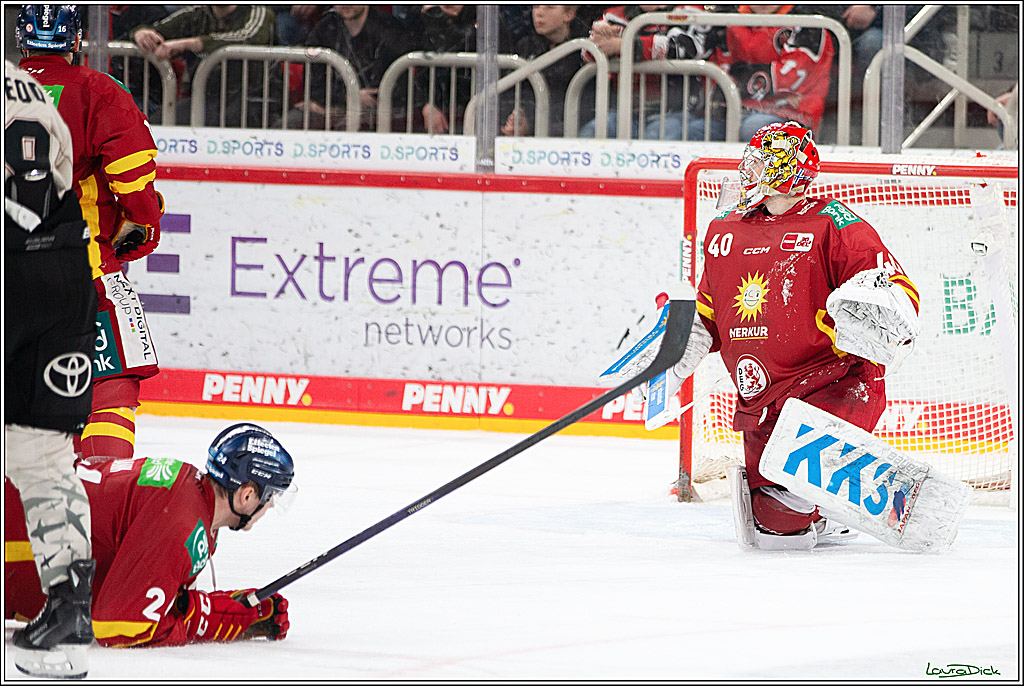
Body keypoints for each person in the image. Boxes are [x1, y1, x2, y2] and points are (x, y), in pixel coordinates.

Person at [630, 121, 920, 547]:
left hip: (834, 389)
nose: (747, 172)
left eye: (759, 163)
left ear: (789, 170)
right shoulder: (725, 230)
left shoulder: (834, 225)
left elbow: (898, 291)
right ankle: (830, 509)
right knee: (776, 528)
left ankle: (840, 496)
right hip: (762, 401)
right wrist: (671, 349)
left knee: (795, 492)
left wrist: (874, 309)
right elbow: (708, 313)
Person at [17, 3, 165, 463]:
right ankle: (101, 494)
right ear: (77, 41)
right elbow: (134, 181)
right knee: (110, 383)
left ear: (21, 41)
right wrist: (143, 223)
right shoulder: (100, 91)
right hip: (81, 272)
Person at [6, 423, 294, 647]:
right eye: (269, 497)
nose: (269, 506)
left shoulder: (186, 488)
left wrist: (226, 609)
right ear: (247, 495)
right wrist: (216, 616)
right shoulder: (184, 523)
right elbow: (118, 625)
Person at [5, 54, 98, 679]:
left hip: (12, 262)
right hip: (65, 269)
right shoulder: (28, 86)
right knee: (40, 445)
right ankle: (69, 604)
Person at [686, 5, 835, 142]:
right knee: (695, 131)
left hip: (792, 117)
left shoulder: (807, 23)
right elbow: (719, 77)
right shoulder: (730, 20)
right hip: (733, 113)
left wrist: (740, 77)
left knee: (754, 127)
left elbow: (790, 78)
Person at [131, 5, 276, 127]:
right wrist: (141, 33)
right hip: (204, 99)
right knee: (155, 125)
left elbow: (248, 37)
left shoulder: (257, 12)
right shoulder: (196, 13)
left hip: (253, 100)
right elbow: (156, 30)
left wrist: (189, 44)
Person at [283, 5, 417, 131]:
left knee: (348, 127)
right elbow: (314, 86)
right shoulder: (323, 30)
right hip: (331, 108)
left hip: (380, 114)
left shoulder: (391, 30)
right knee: (290, 122)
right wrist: (348, 97)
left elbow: (401, 90)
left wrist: (343, 107)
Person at [578, 4, 696, 140]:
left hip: (673, 112)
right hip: (622, 112)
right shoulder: (612, 16)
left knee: (653, 138)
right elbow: (587, 54)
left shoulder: (686, 10)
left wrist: (621, 45)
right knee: (590, 133)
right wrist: (601, 42)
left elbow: (685, 49)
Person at [501, 4, 589, 138]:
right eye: (536, 6)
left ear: (569, 15)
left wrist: (532, 125)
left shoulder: (585, 51)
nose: (539, 13)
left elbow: (585, 106)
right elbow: (510, 91)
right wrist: (515, 118)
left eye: (549, 7)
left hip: (568, 133)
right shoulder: (525, 46)